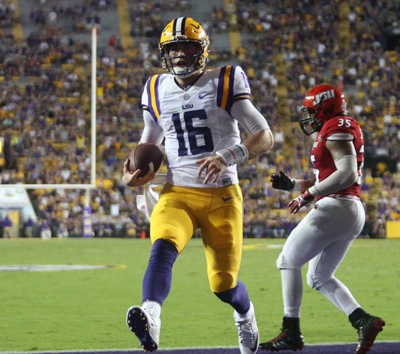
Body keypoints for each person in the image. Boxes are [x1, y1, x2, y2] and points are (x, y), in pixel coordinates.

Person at [123, 17, 274, 353]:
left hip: (221, 194)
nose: (179, 55)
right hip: (178, 192)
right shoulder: (155, 88)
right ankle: (151, 317)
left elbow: (264, 135)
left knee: (223, 285)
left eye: (186, 46)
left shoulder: (225, 80)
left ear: (202, 49)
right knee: (162, 246)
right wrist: (133, 174)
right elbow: (147, 144)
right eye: (172, 48)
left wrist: (227, 156)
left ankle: (245, 315)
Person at [259, 84, 385, 354]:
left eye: (313, 111)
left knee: (287, 261)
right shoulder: (334, 129)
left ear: (325, 108)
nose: (309, 117)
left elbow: (347, 173)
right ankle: (363, 320)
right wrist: (294, 185)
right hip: (347, 208)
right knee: (318, 276)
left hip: (335, 206)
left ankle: (290, 331)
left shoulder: (336, 127)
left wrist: (307, 195)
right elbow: (330, 177)